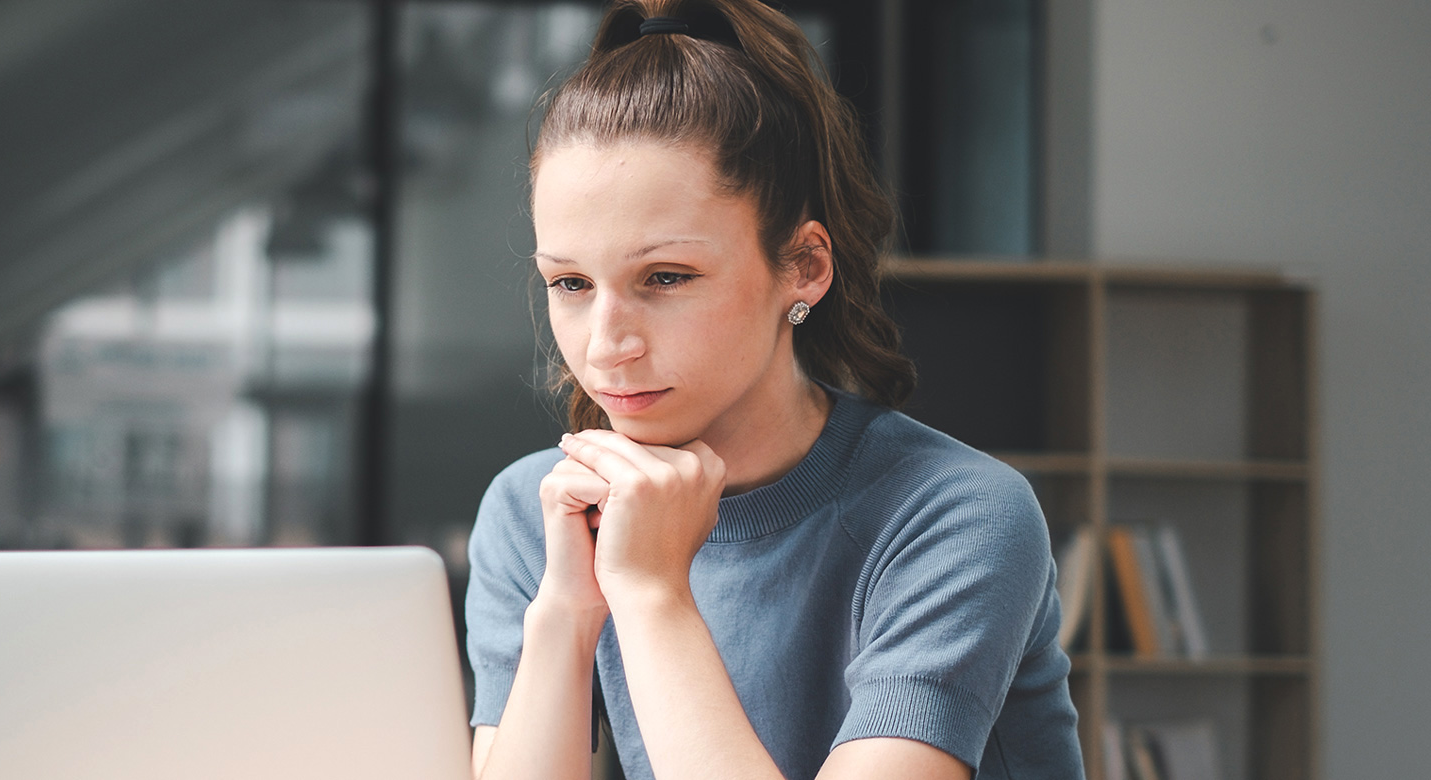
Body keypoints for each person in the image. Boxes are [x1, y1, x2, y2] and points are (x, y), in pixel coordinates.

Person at [461, 1, 1083, 779]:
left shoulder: (957, 516)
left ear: (804, 267)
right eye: (572, 282)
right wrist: (566, 612)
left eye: (665, 278)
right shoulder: (538, 513)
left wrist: (651, 594)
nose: (605, 344)